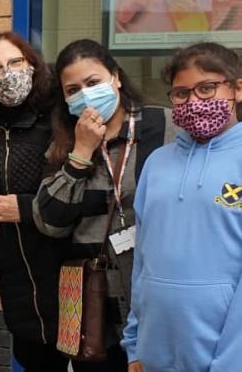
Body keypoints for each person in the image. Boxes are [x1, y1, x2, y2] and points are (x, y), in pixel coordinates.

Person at [32, 39, 178, 372]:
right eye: (73, 89)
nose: (84, 94)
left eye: (93, 82)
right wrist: (81, 153)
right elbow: (49, 220)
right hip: (97, 311)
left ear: (116, 78)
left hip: (156, 299)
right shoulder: (64, 142)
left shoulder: (165, 125)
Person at [122, 43, 242, 372]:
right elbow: (141, 263)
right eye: (181, 93)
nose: (195, 102)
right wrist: (134, 345)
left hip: (224, 356)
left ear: (237, 88)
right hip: (153, 352)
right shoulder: (157, 164)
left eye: (207, 88)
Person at [0, 31, 68, 372]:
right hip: (14, 266)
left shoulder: (60, 118)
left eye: (15, 62)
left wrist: (20, 207)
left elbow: (79, 193)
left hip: (65, 264)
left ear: (32, 64)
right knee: (32, 356)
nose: (7, 74)